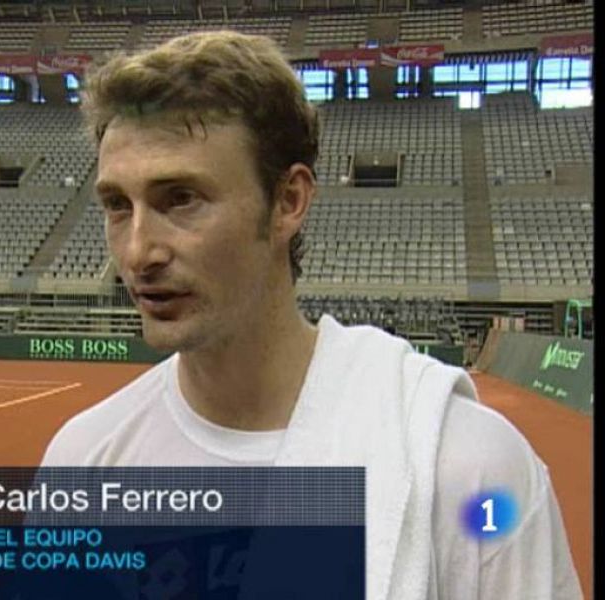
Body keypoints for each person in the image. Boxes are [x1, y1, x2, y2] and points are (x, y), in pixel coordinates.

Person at [42, 31, 583, 599]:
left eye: (181, 198)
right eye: (116, 206)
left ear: (288, 201)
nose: (137, 252)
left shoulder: (470, 466)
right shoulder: (83, 461)